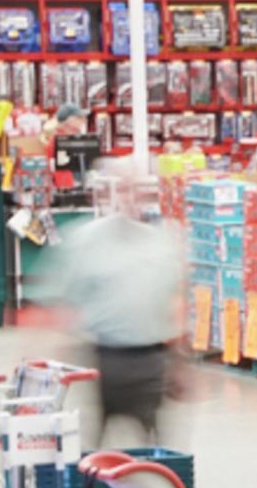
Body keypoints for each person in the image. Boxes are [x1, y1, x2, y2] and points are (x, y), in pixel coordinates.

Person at [42, 154, 184, 449]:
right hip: (104, 360)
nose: (129, 198)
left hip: (152, 361)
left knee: (155, 447)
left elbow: (176, 305)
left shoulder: (164, 243)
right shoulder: (84, 241)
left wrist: (181, 366)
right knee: (93, 447)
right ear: (106, 193)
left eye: (137, 190)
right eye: (121, 189)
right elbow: (63, 303)